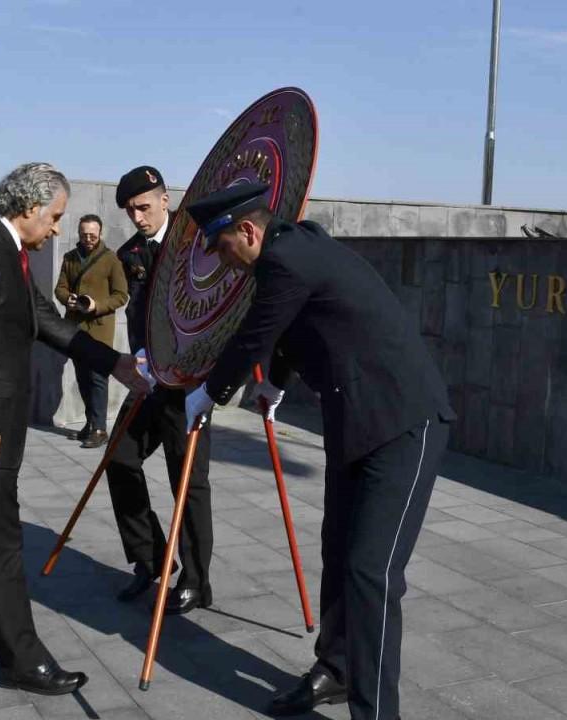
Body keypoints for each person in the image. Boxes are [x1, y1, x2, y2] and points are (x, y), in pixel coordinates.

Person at [184, 183, 455, 720]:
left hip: (404, 423)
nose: (222, 261)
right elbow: (293, 326)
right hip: (356, 420)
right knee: (338, 551)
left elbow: (256, 334)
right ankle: (335, 667)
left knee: (371, 573)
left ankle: (376, 713)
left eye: (222, 247)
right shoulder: (295, 249)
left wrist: (207, 394)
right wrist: (276, 384)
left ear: (248, 231)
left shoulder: (286, 259)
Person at [0, 162, 149, 695]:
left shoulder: (3, 248)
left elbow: (45, 320)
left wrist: (115, 365)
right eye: (56, 217)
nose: (58, 228)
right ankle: (23, 661)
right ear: (30, 208)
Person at [105, 166, 215, 615]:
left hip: (189, 385)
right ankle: (151, 558)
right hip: (150, 381)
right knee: (119, 458)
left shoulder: (197, 242)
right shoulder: (129, 252)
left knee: (187, 482)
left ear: (165, 200)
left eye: (144, 207)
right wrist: (139, 357)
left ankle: (195, 579)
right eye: (131, 210)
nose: (137, 217)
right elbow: (135, 316)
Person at [55, 214, 128, 448]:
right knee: (82, 378)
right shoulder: (70, 258)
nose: (88, 238)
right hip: (75, 327)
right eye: (84, 234)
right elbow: (60, 288)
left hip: (99, 329)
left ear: (100, 233)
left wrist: (97, 306)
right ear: (78, 232)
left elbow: (121, 295)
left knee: (98, 379)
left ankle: (99, 429)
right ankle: (89, 424)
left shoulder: (111, 260)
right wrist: (69, 300)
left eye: (92, 235)